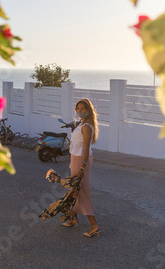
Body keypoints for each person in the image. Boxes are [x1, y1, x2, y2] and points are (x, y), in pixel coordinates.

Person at [61, 98, 100, 238]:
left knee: (81, 190)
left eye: (82, 108)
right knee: (74, 189)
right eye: (78, 108)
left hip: (81, 161)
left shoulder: (86, 127)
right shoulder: (81, 124)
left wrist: (82, 167)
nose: (79, 111)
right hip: (76, 159)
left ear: (88, 110)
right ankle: (73, 218)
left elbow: (85, 148)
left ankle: (94, 225)